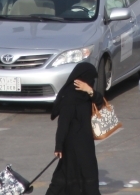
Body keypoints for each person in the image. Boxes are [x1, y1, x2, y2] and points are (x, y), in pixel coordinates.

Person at [46, 62, 103, 195]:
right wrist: (59, 146)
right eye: (90, 79)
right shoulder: (70, 97)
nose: (91, 82)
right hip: (71, 145)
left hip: (85, 143)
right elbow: (63, 124)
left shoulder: (86, 95)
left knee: (86, 172)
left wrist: (89, 90)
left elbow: (100, 101)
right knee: (67, 173)